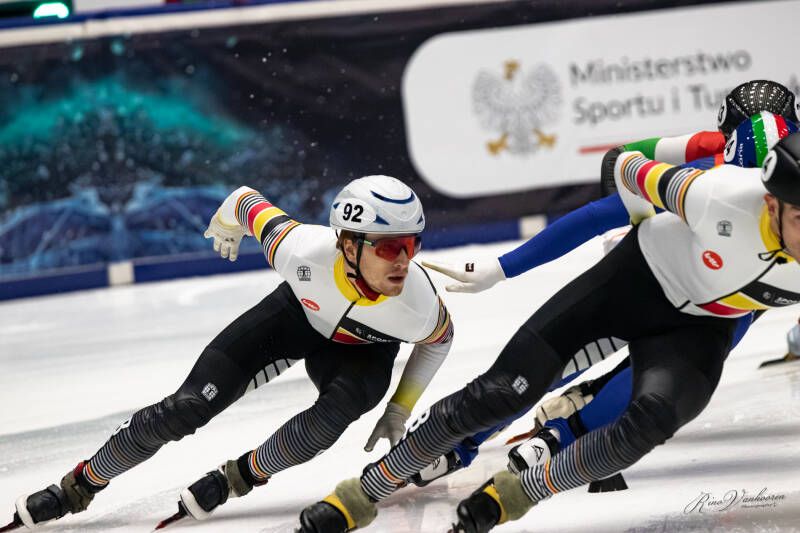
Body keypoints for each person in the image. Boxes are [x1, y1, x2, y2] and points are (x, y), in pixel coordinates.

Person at [295, 129, 800, 533]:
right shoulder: (717, 195)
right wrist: (636, 226)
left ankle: (512, 496)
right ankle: (361, 495)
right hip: (634, 282)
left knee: (649, 423)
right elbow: (626, 167)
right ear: (772, 204)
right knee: (496, 394)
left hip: (703, 325)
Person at [5, 175, 454, 531]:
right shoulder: (300, 249)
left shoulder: (416, 304)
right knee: (186, 408)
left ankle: (237, 477)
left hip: (362, 351)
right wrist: (225, 223)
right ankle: (79, 485)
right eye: (391, 247)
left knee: (333, 417)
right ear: (348, 245)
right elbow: (244, 199)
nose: (403, 261)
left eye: (413, 245)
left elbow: (440, 340)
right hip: (293, 320)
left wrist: (400, 408)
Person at [409, 80, 800, 488]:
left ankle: (466, 441)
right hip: (719, 290)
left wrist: (504, 266)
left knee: (564, 354)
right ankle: (562, 435)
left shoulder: (710, 171)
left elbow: (617, 172)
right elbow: (623, 169)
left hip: (669, 266)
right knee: (676, 360)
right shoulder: (717, 182)